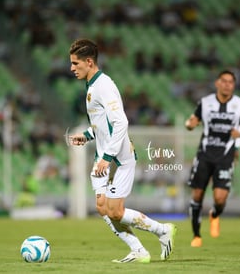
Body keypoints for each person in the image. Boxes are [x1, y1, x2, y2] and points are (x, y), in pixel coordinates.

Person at [68, 38, 176, 263]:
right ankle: (139, 251)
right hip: (103, 155)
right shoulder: (91, 85)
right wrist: (87, 135)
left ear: (89, 62)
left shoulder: (104, 85)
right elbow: (101, 123)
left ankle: (162, 230)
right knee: (102, 207)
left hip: (119, 158)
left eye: (75, 63)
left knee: (115, 212)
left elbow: (121, 123)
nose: (71, 68)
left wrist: (107, 158)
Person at [185, 70, 240, 247]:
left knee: (220, 199)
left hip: (225, 157)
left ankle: (215, 214)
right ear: (217, 83)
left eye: (231, 82)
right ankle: (196, 235)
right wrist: (189, 124)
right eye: (224, 81)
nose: (227, 84)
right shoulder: (205, 103)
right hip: (204, 155)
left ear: (234, 85)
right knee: (197, 194)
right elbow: (192, 120)